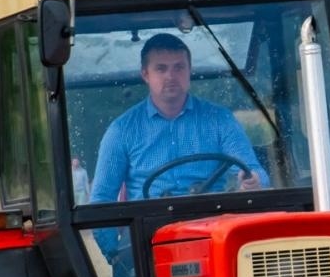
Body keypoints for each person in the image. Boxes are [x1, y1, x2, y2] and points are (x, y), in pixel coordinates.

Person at [89, 32, 268, 206]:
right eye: (161, 68)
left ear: (190, 70)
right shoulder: (121, 130)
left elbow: (254, 172)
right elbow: (101, 201)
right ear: (145, 74)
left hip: (211, 224)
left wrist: (253, 181)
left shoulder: (220, 120)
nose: (171, 76)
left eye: (179, 67)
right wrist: (115, 238)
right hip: (146, 229)